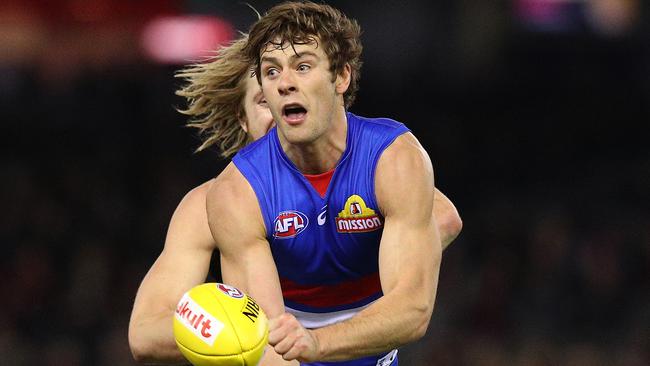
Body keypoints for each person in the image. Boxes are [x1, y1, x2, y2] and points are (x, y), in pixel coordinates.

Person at [129, 14, 461, 366]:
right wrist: (219, 329)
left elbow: (444, 220)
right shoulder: (219, 200)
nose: (283, 90)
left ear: (338, 81)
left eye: (301, 70)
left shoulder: (382, 162)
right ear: (243, 118)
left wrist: (364, 260)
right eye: (264, 94)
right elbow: (146, 334)